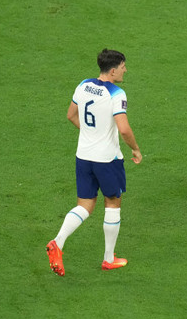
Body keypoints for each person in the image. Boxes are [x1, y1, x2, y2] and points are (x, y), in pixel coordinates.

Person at [46, 49, 142, 276]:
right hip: (107, 159)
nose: (125, 70)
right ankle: (109, 259)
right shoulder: (116, 93)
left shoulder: (83, 85)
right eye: (123, 66)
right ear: (113, 70)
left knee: (85, 205)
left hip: (83, 156)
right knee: (113, 202)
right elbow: (124, 129)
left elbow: (71, 115)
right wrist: (136, 149)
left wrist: (91, 133)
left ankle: (58, 242)